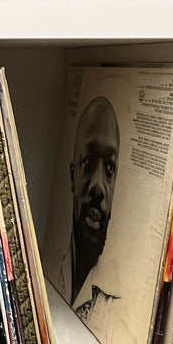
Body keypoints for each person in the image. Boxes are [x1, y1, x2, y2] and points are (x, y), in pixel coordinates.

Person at [69, 95, 120, 303]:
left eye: (109, 168)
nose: (98, 187)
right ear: (73, 176)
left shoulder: (115, 305)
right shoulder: (50, 272)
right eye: (89, 162)